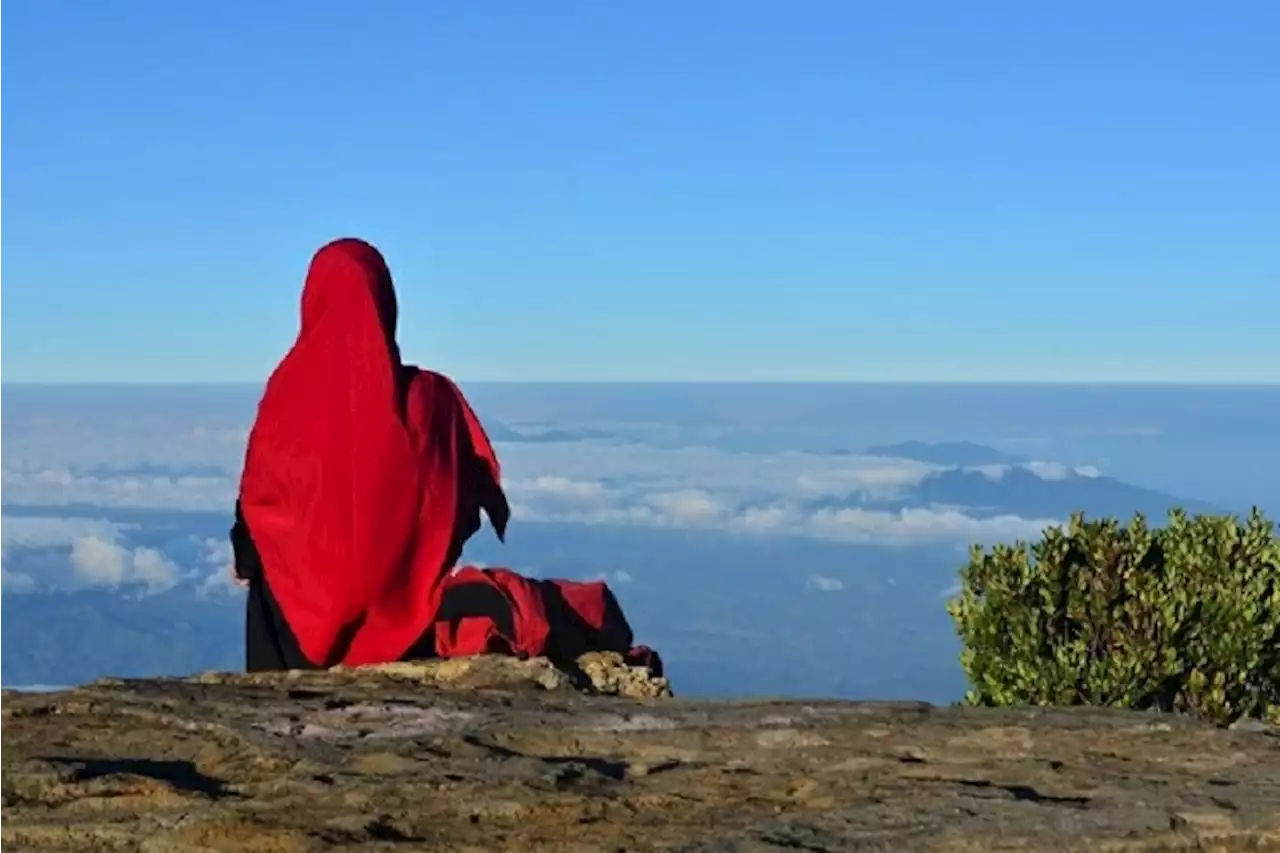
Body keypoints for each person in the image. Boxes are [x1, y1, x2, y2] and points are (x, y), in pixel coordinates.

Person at [229, 238, 660, 678]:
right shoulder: (430, 400)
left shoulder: (286, 395)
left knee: (271, 581)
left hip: (289, 627)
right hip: (402, 620)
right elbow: (461, 504)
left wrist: (247, 560)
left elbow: (260, 495)